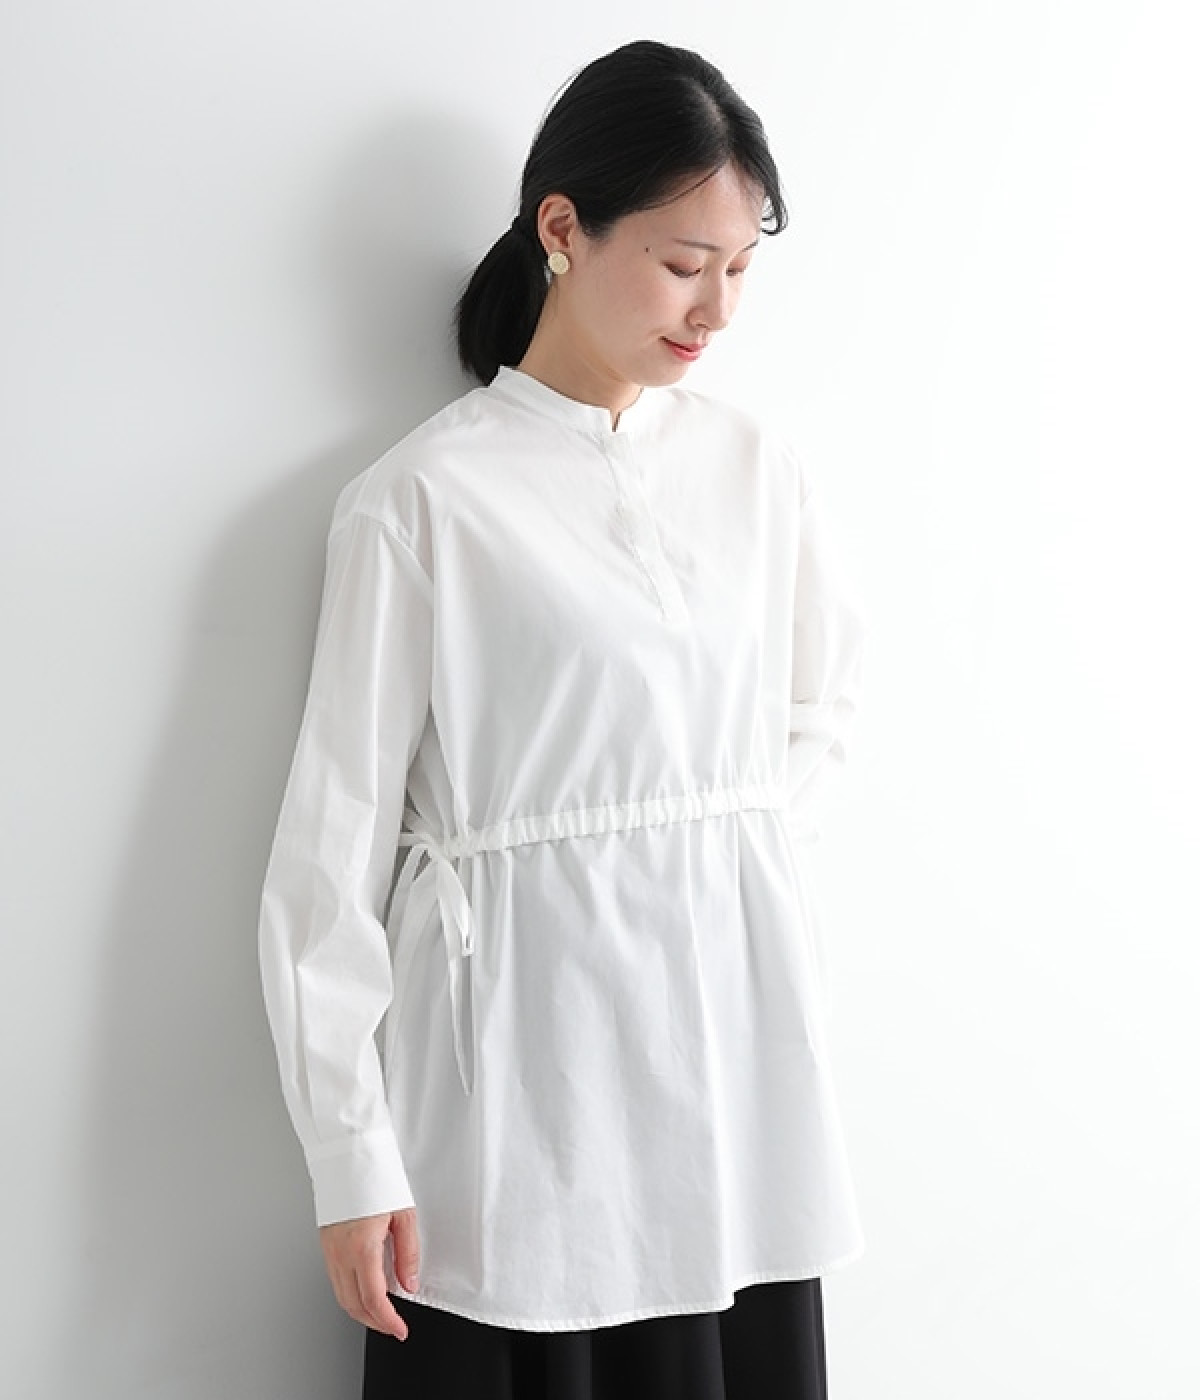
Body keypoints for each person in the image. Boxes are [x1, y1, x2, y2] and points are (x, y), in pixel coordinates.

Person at [258, 38, 866, 1400]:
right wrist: (348, 1154)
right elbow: (328, 856)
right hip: (520, 1092)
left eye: (740, 268)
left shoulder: (754, 469)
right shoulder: (422, 502)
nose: (715, 310)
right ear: (561, 229)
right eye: (683, 262)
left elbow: (821, 706)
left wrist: (721, 872)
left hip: (732, 1077)